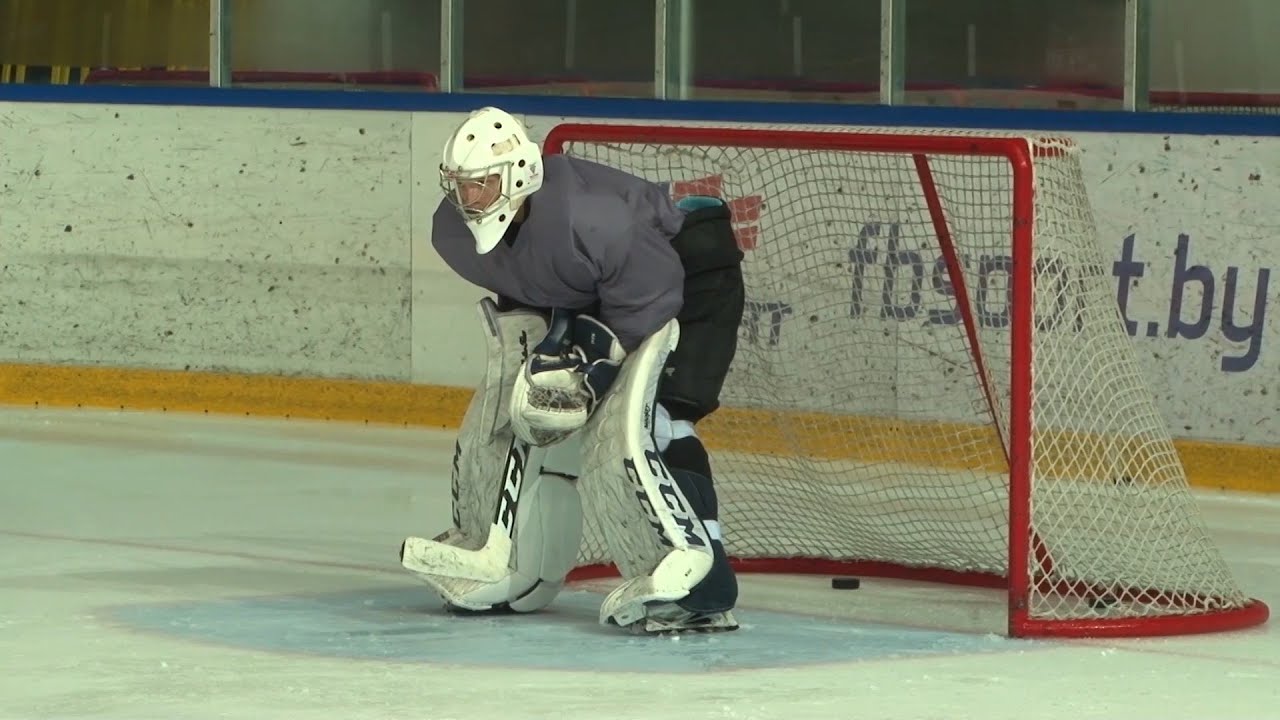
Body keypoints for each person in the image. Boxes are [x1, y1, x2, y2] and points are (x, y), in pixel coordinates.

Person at [403, 106, 744, 634]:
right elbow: (533, 277)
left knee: (653, 423)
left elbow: (648, 298)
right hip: (607, 287)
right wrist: (554, 346)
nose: (468, 200)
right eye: (460, 186)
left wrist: (594, 363)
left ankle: (702, 585)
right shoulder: (452, 232)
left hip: (686, 272)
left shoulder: (593, 218)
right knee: (521, 416)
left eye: (482, 185)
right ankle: (513, 565)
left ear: (518, 175)